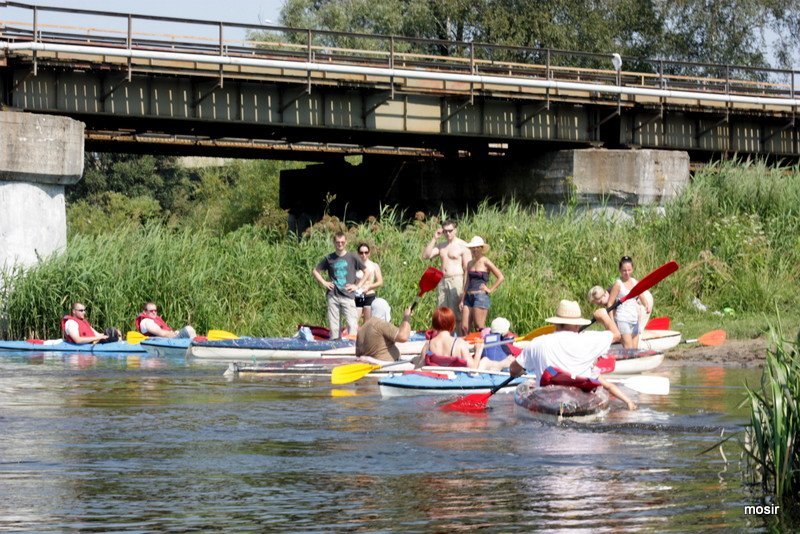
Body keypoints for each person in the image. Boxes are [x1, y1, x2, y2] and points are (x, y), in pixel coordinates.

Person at [509, 300, 636, 410]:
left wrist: (518, 372)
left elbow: (513, 370)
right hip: (580, 403)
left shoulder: (537, 342)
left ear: (556, 323)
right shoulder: (590, 339)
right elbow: (616, 335)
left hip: (547, 403)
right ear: (578, 324)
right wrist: (604, 317)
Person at [312, 232, 367, 340]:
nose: (340, 244)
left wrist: (357, 286)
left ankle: (352, 348)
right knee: (334, 327)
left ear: (346, 242)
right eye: (338, 242)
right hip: (333, 295)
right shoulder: (329, 258)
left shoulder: (352, 257)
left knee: (352, 324)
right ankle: (335, 348)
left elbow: (366, 271)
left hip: (348, 295)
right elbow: (315, 271)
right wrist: (324, 282)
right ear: (334, 242)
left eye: (342, 242)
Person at [421, 219, 470, 325]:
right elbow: (426, 255)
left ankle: (458, 338)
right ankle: (446, 336)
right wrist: (435, 238)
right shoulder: (441, 246)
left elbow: (467, 269)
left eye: (450, 230)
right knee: (442, 311)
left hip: (456, 279)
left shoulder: (463, 246)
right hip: (442, 280)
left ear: (455, 230)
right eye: (445, 231)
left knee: (457, 312)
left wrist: (464, 290)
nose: (448, 233)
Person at [459, 235, 504, 335]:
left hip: (480, 296)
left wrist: (490, 289)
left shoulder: (485, 261)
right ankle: (467, 347)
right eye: (473, 247)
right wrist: (462, 299)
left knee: (479, 327)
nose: (475, 249)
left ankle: (482, 348)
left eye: (477, 247)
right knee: (464, 327)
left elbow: (500, 277)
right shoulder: (470, 263)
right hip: (468, 296)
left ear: (481, 248)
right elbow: (467, 282)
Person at [606, 256, 652, 349]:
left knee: (634, 349)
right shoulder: (618, 284)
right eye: (624, 270)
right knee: (629, 348)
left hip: (634, 319)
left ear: (632, 269)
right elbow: (610, 303)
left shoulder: (635, 282)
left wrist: (646, 305)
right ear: (620, 270)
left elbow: (641, 296)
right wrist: (612, 322)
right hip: (623, 319)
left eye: (629, 270)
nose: (627, 273)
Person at [355, 298, 412, 362]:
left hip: (372, 365)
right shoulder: (380, 324)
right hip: (387, 365)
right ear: (385, 310)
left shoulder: (363, 328)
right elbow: (403, 337)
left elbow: (358, 354)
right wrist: (407, 317)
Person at [354, 242, 383, 322]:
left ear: (369, 253)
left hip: (369, 295)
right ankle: (352, 334)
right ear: (358, 253)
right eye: (361, 253)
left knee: (367, 323)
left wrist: (369, 287)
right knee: (353, 321)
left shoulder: (374, 265)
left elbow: (380, 282)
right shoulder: (355, 266)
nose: (364, 255)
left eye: (366, 252)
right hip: (358, 296)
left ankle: (366, 334)